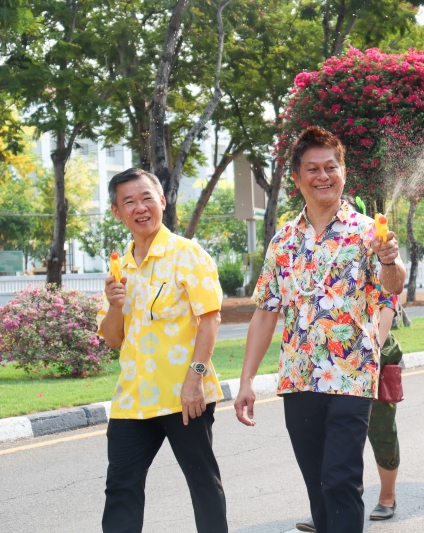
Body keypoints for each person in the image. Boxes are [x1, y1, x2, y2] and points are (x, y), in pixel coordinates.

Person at [234, 126, 406, 533]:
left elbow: (393, 286)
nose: (323, 176)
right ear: (297, 178)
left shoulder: (369, 232)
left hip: (351, 376)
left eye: (331, 167)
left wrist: (389, 259)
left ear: (344, 172)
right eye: (313, 169)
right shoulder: (282, 241)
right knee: (318, 485)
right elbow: (265, 313)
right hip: (298, 378)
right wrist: (246, 381)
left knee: (341, 479)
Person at [97, 168, 228, 533]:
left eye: (147, 198)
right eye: (129, 202)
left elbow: (211, 319)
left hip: (184, 396)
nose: (140, 208)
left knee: (202, 483)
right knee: (121, 487)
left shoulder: (187, 254)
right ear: (116, 212)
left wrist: (195, 380)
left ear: (162, 201)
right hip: (133, 399)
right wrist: (114, 306)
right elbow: (112, 339)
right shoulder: (119, 268)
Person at [295, 294, 404, 533]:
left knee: (382, 428)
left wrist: (372, 357)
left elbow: (388, 304)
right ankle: (329, 508)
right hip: (329, 362)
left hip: (371, 355)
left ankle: (387, 497)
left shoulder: (379, 268)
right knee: (331, 440)